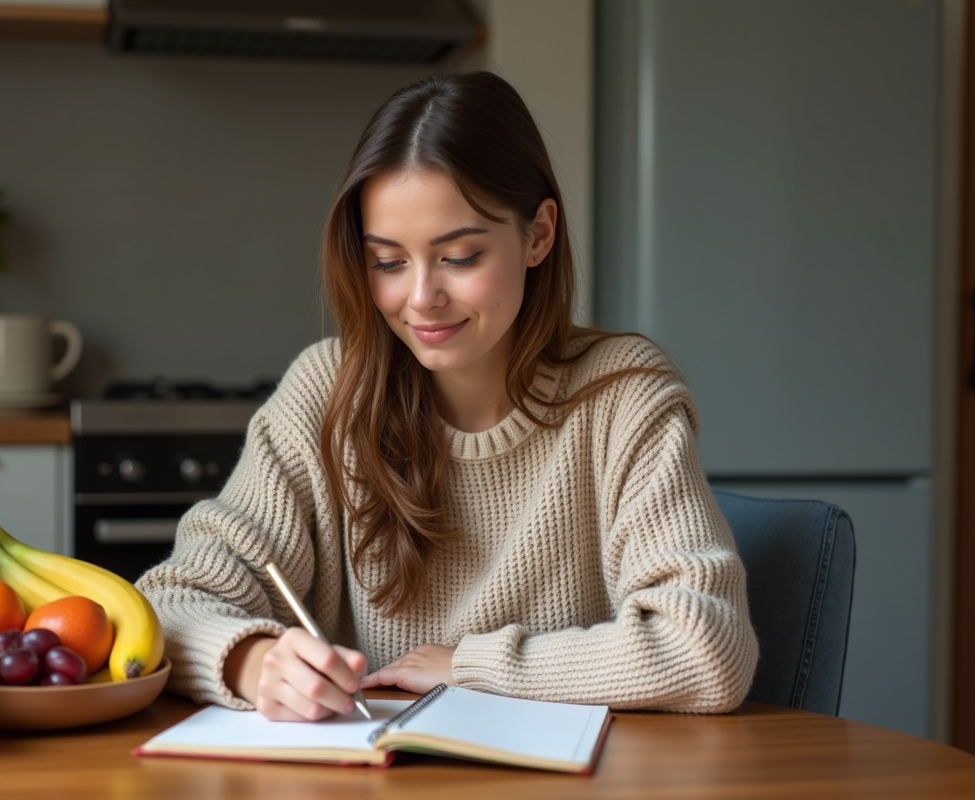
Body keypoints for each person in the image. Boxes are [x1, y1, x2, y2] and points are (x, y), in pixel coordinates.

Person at [137, 71, 758, 722]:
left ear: (539, 234)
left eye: (459, 256)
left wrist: (470, 667)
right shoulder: (329, 391)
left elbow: (706, 647)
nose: (421, 298)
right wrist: (253, 660)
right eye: (388, 261)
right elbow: (170, 603)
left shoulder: (622, 393)